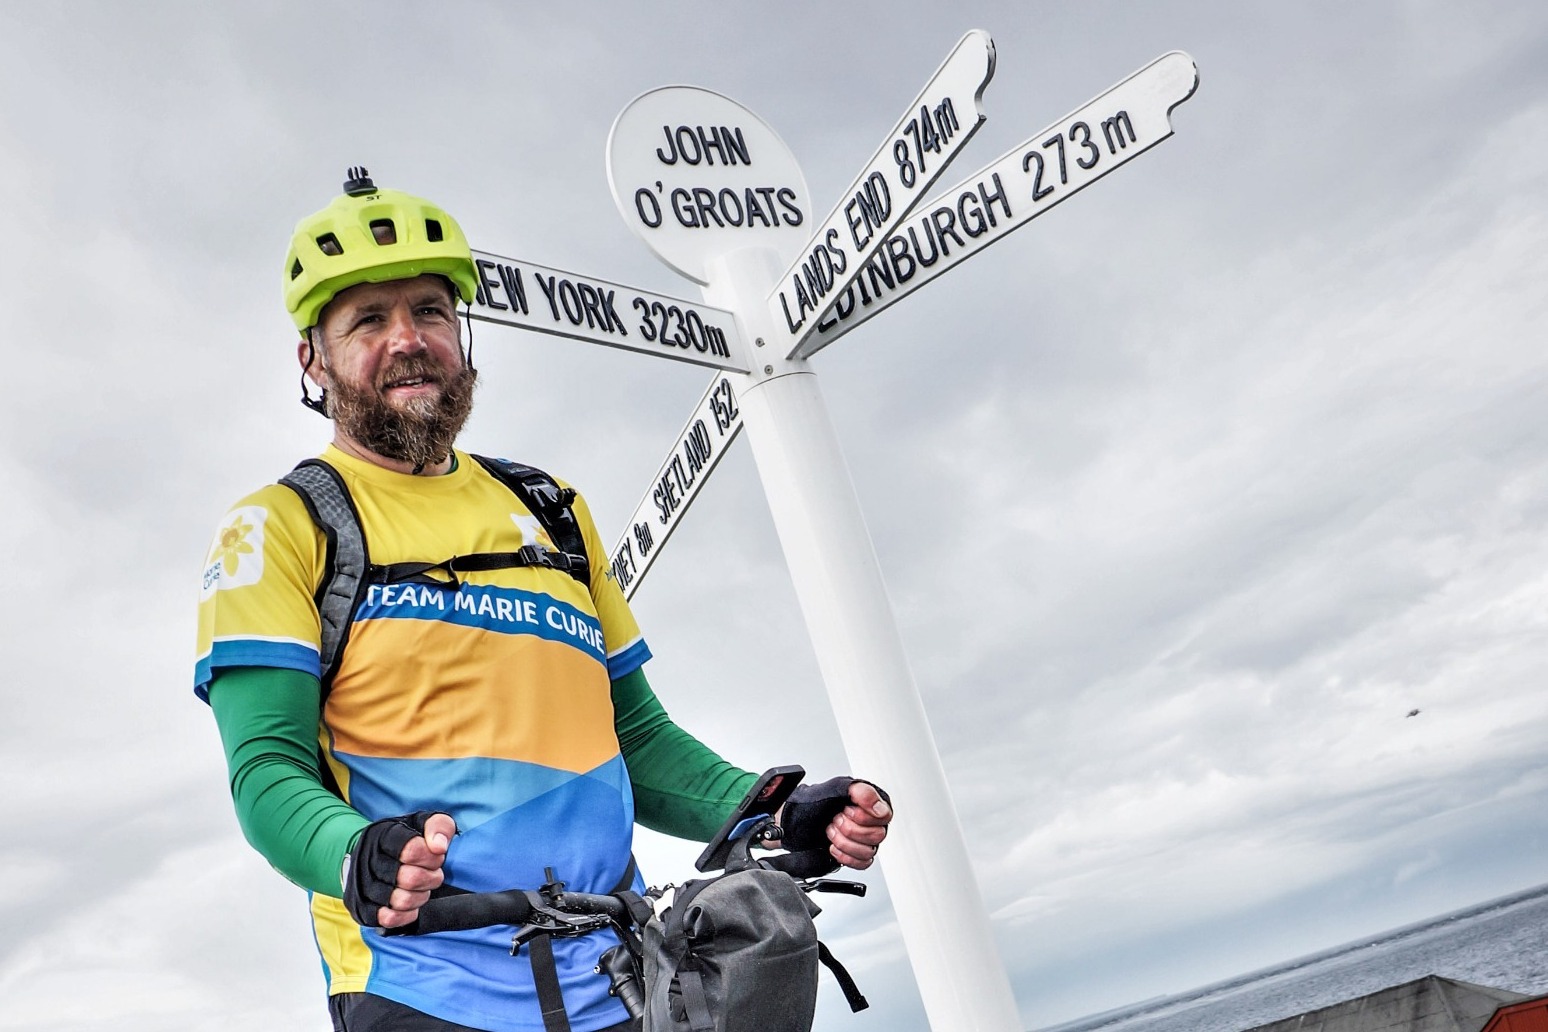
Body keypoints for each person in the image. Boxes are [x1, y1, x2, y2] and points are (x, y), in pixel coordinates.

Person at [193, 168, 893, 1032]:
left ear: (463, 333)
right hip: (426, 991)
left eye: (431, 311)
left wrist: (770, 808)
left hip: (628, 981)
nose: (407, 339)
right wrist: (354, 855)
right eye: (368, 320)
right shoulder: (281, 526)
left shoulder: (549, 508)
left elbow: (632, 737)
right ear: (315, 360)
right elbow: (266, 771)